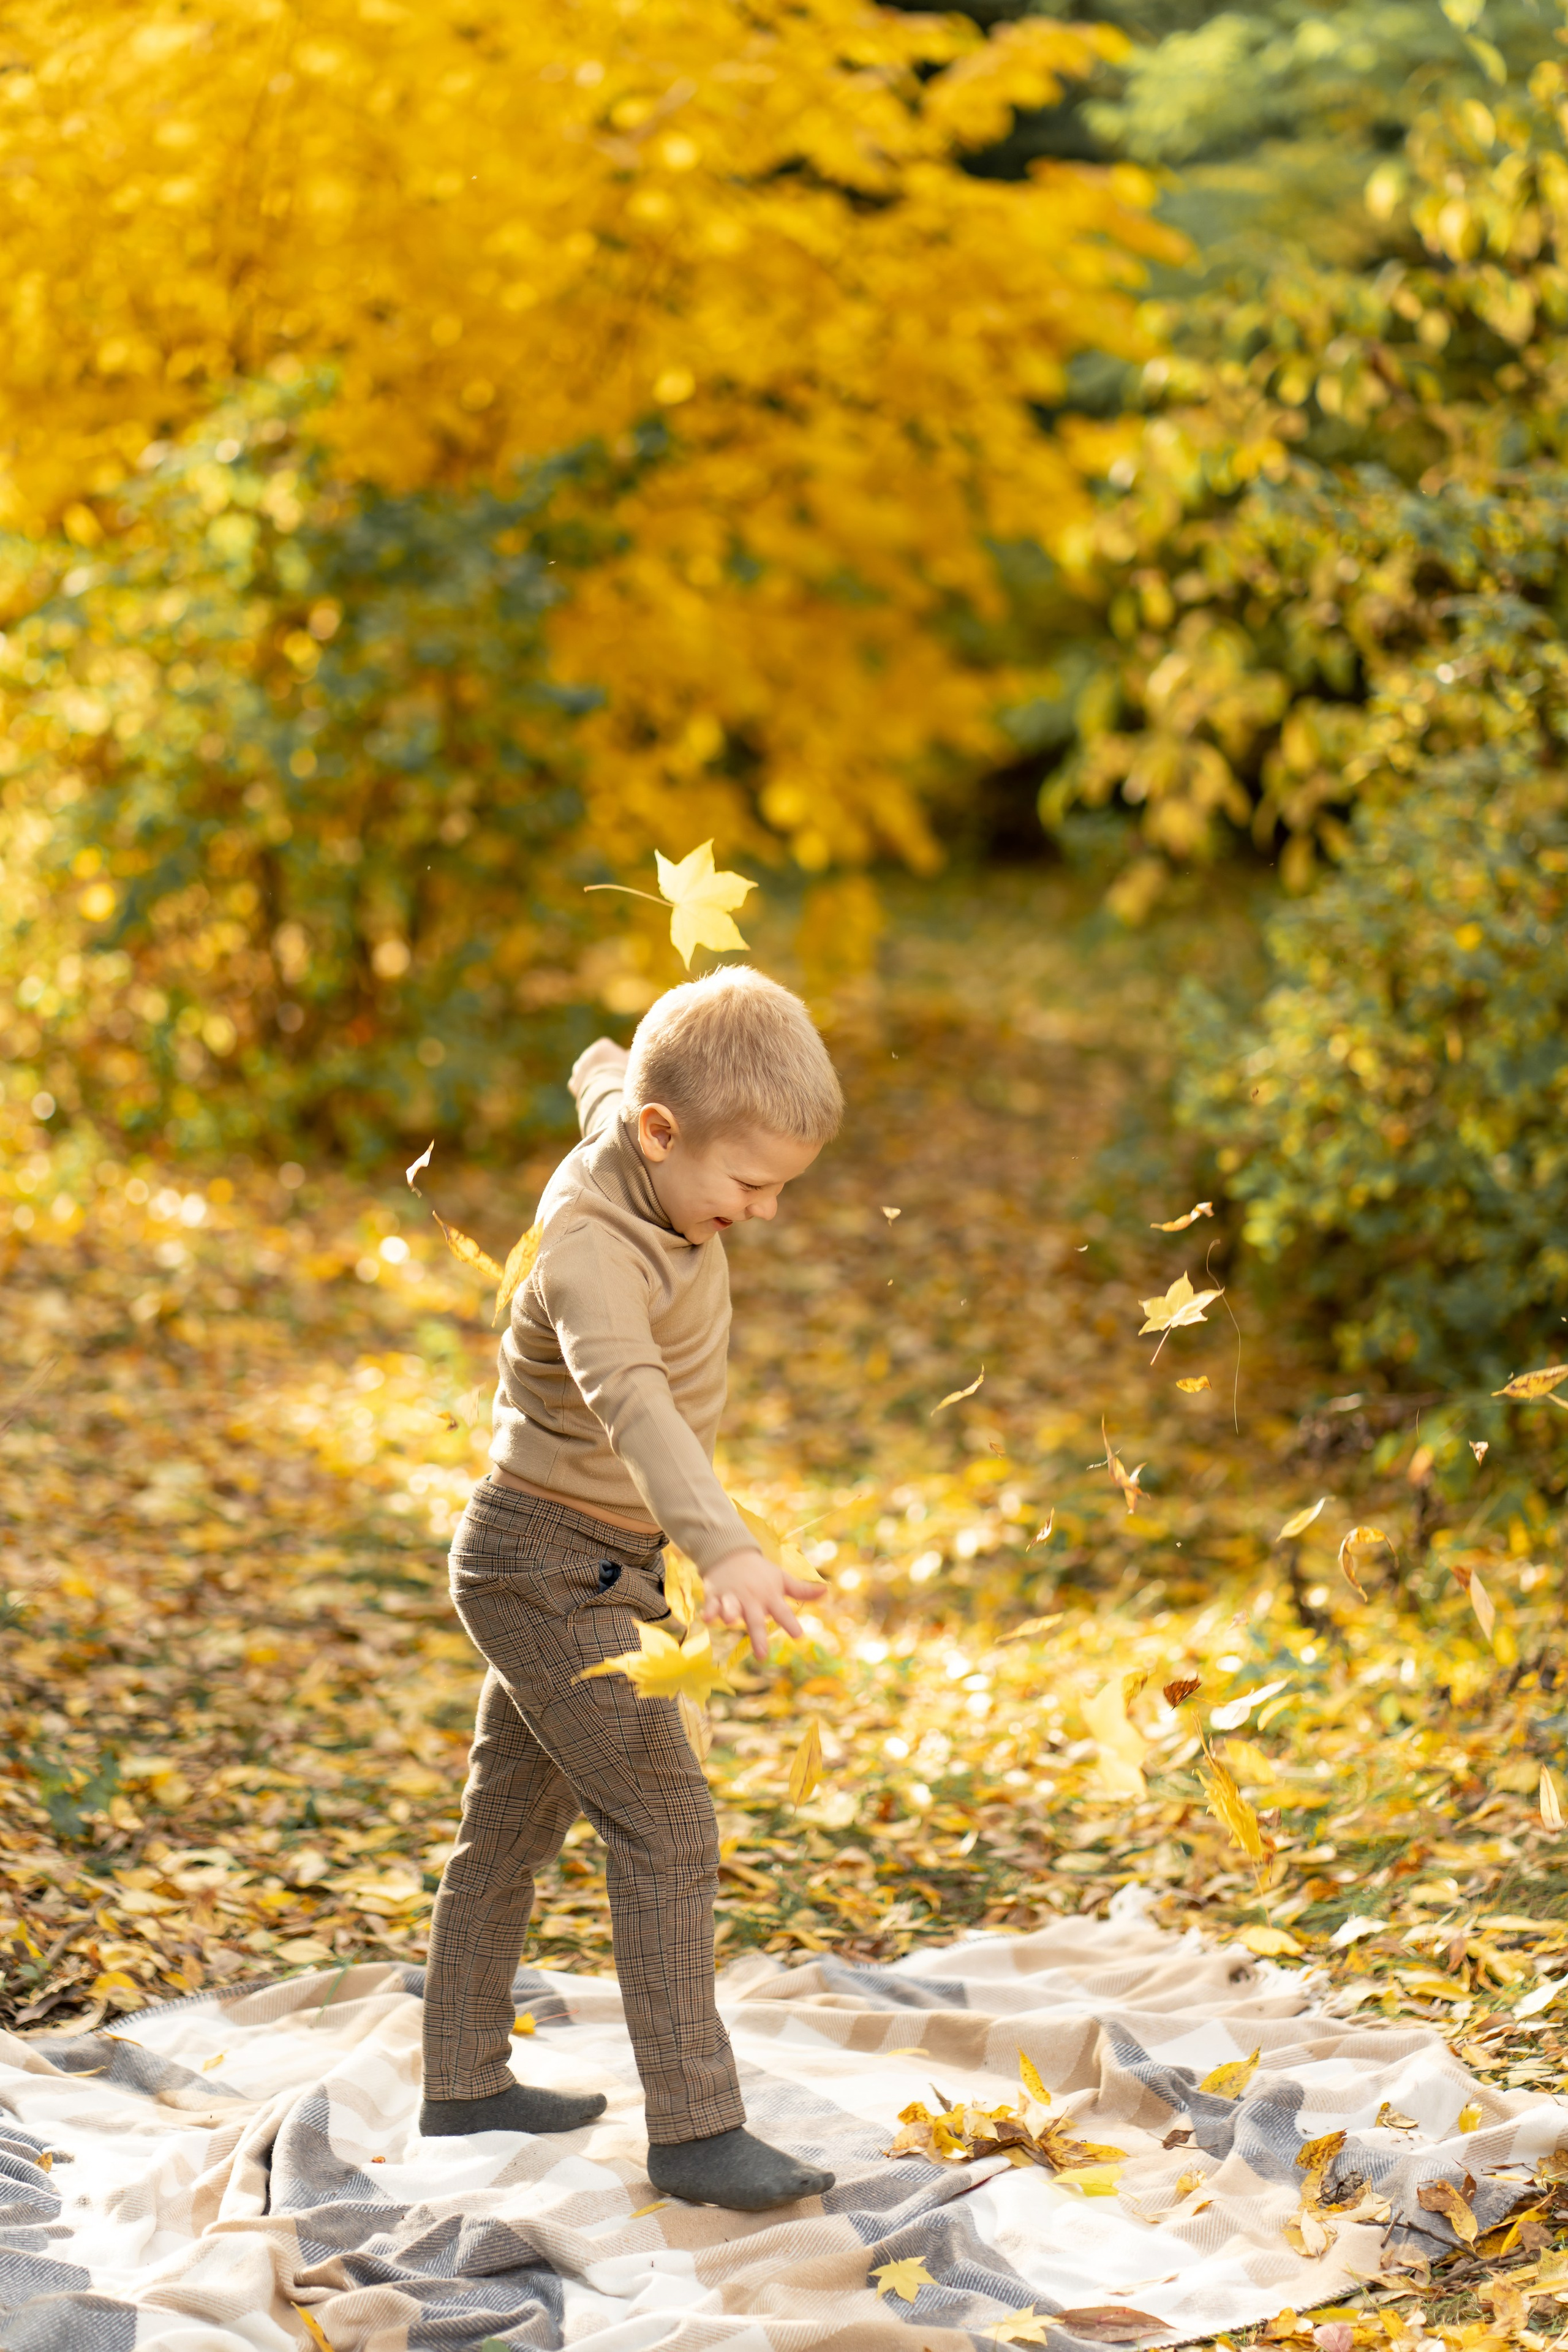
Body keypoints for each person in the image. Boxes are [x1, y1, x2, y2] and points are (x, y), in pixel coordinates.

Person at [419, 966, 843, 2211]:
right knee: (667, 1819)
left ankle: (462, 2083)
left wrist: (602, 1056)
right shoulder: (589, 1255)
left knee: (510, 1820)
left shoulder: (642, 1127)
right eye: (748, 1184)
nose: (760, 1212)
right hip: (543, 1565)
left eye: (778, 1186)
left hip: (583, 1560)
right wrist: (724, 1547)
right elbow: (633, 1404)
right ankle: (697, 2133)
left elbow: (607, 1074)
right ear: (660, 1140)